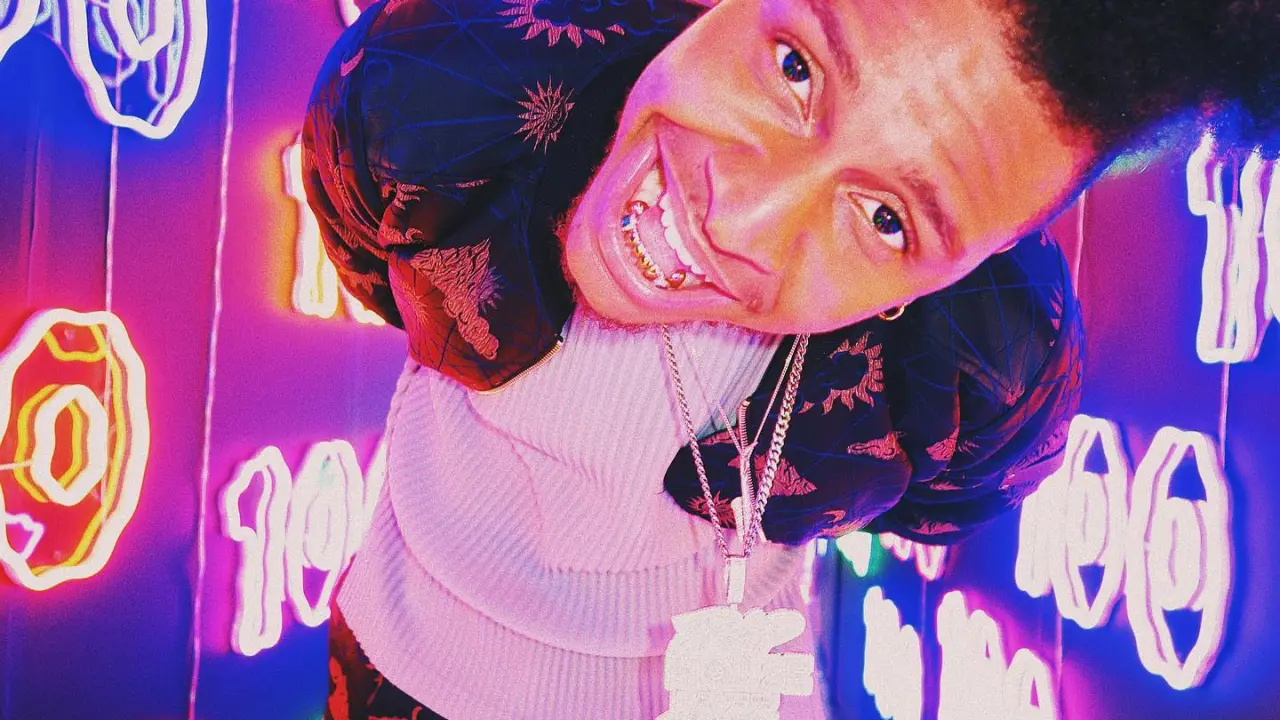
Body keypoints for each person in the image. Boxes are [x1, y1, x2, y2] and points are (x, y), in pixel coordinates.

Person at [301, 0, 1278, 717]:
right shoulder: (441, 88)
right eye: (795, 68)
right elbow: (369, 247)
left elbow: (942, 494)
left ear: (945, 281)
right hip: (396, 654)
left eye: (886, 219)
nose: (741, 221)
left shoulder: (976, 374)